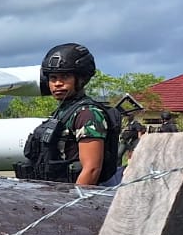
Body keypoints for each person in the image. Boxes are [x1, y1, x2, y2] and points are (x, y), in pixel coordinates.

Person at [14, 42, 120, 187]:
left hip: (81, 197)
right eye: (53, 78)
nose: (57, 83)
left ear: (81, 79)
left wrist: (73, 204)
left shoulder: (88, 114)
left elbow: (91, 169)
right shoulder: (63, 111)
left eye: (65, 77)